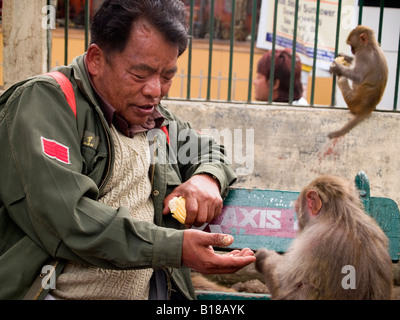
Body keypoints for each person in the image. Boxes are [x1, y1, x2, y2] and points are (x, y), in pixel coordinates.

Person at [0, 0, 255, 300]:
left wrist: (206, 179)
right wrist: (174, 248)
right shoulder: (45, 103)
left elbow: (210, 152)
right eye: (140, 74)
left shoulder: (153, 119)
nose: (155, 90)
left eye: (167, 76)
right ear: (96, 59)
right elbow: (70, 219)